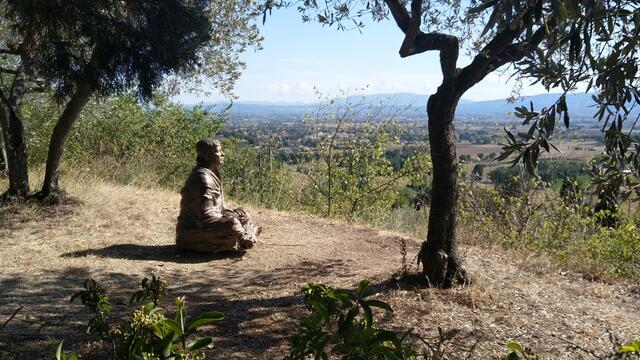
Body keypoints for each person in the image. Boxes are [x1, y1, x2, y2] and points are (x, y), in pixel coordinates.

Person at [176, 138, 259, 252]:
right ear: (207, 155)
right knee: (232, 223)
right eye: (218, 151)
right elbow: (205, 215)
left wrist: (233, 213)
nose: (222, 154)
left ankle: (243, 235)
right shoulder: (202, 178)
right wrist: (231, 218)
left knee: (243, 213)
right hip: (194, 228)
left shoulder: (211, 172)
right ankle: (244, 237)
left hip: (209, 221)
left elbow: (218, 207)